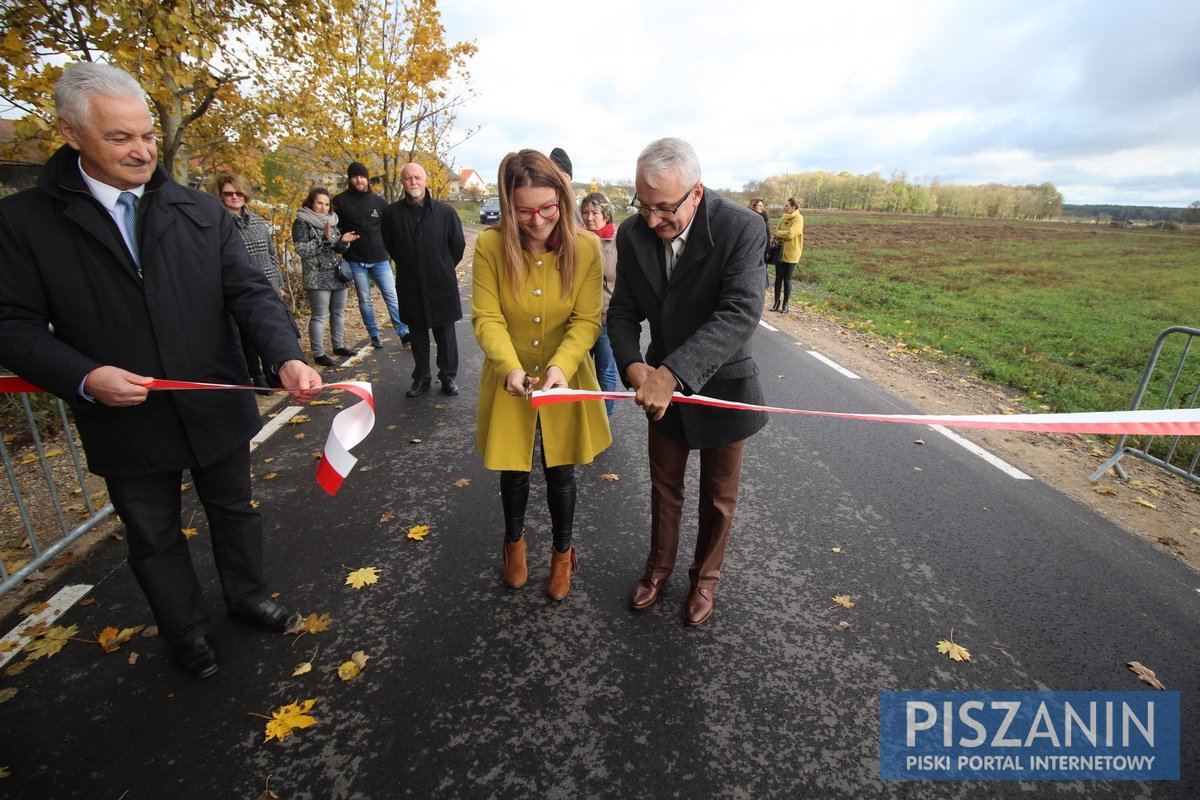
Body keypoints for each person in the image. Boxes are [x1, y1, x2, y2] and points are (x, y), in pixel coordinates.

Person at [0, 62, 323, 679]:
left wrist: (285, 355)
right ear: (72, 134)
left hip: (213, 402)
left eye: (147, 134)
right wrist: (84, 377)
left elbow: (251, 294)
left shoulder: (199, 210)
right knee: (152, 536)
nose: (142, 150)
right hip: (121, 415)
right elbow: (10, 325)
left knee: (234, 509)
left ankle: (248, 596)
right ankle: (185, 632)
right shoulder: (23, 225)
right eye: (120, 138)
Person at [607, 137, 768, 626]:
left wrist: (672, 374)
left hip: (723, 383)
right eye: (643, 205)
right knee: (664, 487)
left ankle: (705, 580)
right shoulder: (633, 235)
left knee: (719, 496)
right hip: (658, 387)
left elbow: (739, 312)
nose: (652, 220)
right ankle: (658, 570)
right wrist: (635, 367)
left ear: (695, 193)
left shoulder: (742, 227)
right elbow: (622, 313)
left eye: (664, 208)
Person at [471, 149, 611, 601]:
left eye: (547, 208)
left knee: (560, 469)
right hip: (508, 372)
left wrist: (560, 367)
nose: (536, 220)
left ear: (563, 201)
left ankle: (562, 552)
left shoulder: (586, 246)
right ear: (508, 205)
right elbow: (487, 318)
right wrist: (509, 368)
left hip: (563, 373)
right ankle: (514, 548)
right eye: (524, 210)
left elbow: (587, 320)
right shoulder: (490, 246)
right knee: (512, 468)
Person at [382, 162, 466, 397]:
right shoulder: (391, 214)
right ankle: (421, 377)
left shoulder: (445, 212)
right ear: (402, 182)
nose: (413, 182)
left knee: (445, 334)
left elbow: (457, 244)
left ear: (425, 180)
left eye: (417, 177)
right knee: (417, 335)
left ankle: (448, 377)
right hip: (411, 284)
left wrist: (443, 266)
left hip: (441, 283)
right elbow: (391, 247)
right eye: (408, 178)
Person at [212, 172, 289, 389]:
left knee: (270, 329)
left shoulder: (257, 221)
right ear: (220, 195)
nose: (234, 197)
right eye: (228, 193)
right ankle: (256, 377)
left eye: (238, 193)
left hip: (267, 284)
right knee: (247, 335)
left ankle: (272, 372)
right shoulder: (218, 224)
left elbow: (271, 253)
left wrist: (279, 284)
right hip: (240, 288)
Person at [332, 162, 410, 349]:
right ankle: (374, 334)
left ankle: (404, 332)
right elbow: (333, 231)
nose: (359, 180)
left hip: (380, 259)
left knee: (392, 296)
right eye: (355, 176)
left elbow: (391, 228)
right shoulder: (339, 202)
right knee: (365, 300)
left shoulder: (379, 202)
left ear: (367, 178)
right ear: (350, 179)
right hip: (356, 260)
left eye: (362, 176)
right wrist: (341, 240)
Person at [292, 187, 359, 366]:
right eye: (319, 203)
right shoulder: (301, 222)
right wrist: (324, 239)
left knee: (338, 312)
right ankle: (319, 353)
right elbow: (303, 251)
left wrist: (343, 242)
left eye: (327, 204)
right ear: (311, 203)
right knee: (319, 315)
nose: (323, 207)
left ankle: (338, 345)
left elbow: (338, 249)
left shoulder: (333, 221)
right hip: (317, 274)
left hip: (337, 273)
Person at [580, 191, 619, 418]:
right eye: (585, 212)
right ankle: (580, 419)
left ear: (606, 215)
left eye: (594, 212)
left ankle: (604, 419)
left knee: (605, 371)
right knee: (578, 370)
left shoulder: (617, 244)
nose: (589, 217)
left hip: (605, 319)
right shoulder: (576, 241)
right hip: (579, 319)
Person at [770, 197, 805, 313]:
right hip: (780, 251)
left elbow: (791, 234)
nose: (784, 207)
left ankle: (785, 304)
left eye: (786, 206)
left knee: (787, 279)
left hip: (792, 252)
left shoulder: (798, 218)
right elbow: (776, 232)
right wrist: (779, 234)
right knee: (778, 278)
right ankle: (776, 302)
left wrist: (780, 234)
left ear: (793, 207)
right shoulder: (783, 217)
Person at [750, 197, 772, 277]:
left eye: (762, 205)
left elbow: (768, 235)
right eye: (759, 205)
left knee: (762, 271)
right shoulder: (749, 218)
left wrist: (768, 250)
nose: (761, 207)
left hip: (763, 249)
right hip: (751, 249)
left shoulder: (764, 219)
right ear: (753, 206)